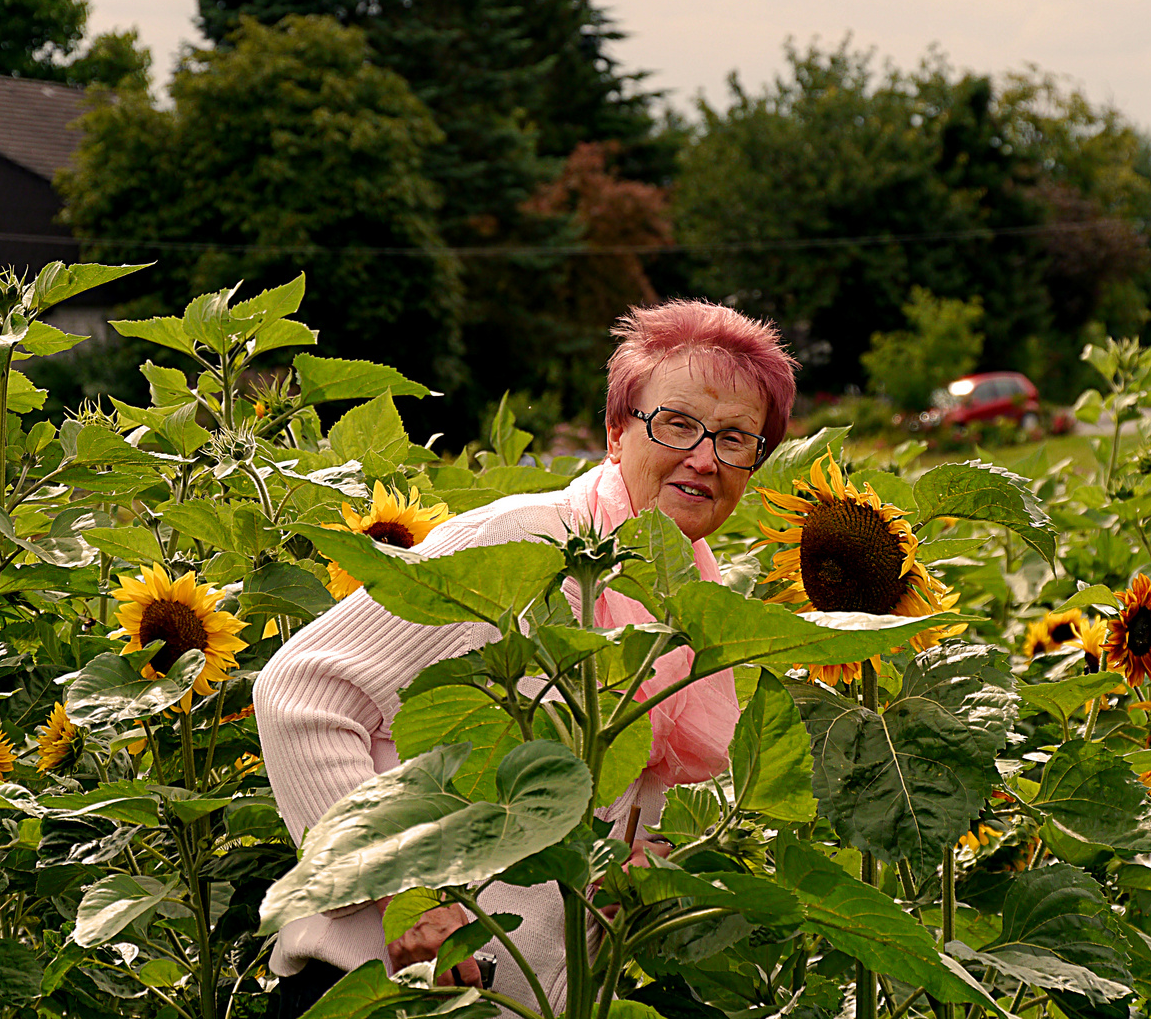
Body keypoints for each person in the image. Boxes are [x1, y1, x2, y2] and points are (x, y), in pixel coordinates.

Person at [255, 299, 799, 1017]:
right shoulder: (522, 543)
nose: (705, 458)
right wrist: (403, 893)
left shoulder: (687, 601)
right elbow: (298, 693)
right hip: (379, 993)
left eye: (736, 439)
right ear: (615, 432)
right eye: (677, 424)